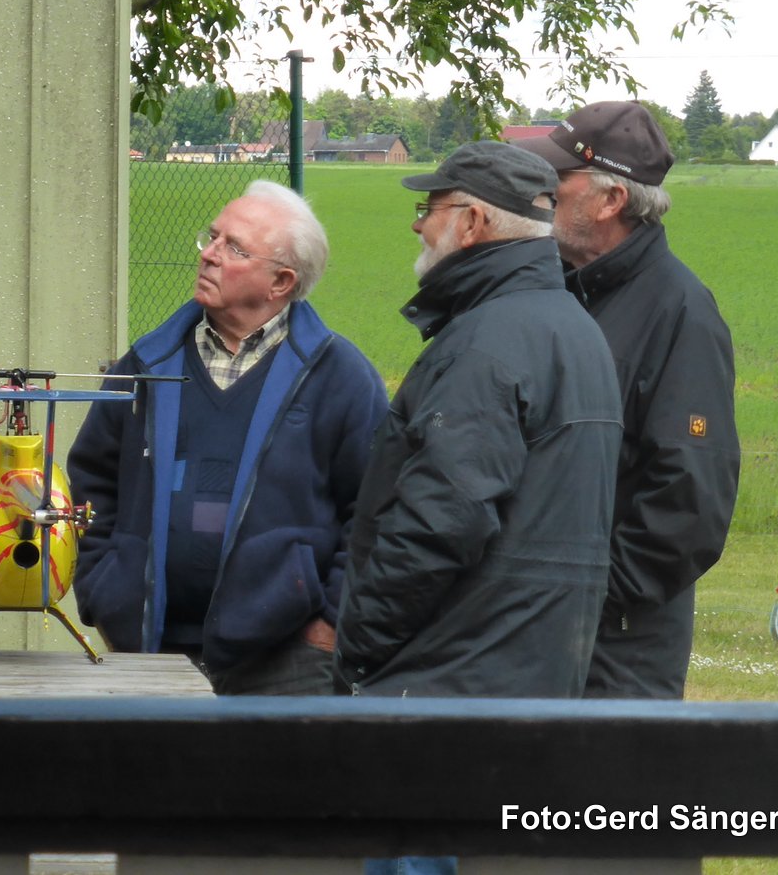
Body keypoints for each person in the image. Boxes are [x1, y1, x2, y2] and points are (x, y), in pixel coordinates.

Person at [67, 180, 388, 696]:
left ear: (281, 282)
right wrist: (107, 590)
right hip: (149, 649)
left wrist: (329, 626)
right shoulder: (147, 365)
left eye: (233, 248)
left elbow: (374, 512)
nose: (209, 256)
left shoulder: (341, 378)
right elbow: (91, 480)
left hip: (285, 663)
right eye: (211, 238)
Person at [335, 141, 622, 698]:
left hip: (453, 679)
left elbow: (440, 523)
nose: (417, 228)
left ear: (471, 222)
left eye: (429, 210)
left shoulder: (485, 346)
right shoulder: (576, 328)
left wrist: (361, 646)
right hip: (531, 671)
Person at [516, 101, 741, 698]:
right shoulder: (562, 292)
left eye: (557, 179)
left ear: (611, 199)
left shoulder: (681, 312)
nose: (542, 193)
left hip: (616, 649)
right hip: (537, 628)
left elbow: (690, 500)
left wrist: (592, 596)